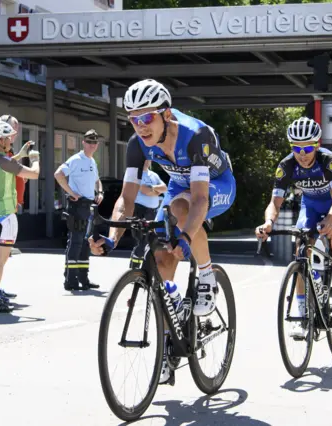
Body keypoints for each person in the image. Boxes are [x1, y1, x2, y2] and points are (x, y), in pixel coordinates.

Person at [88, 79, 236, 385]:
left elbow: (199, 201)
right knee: (161, 260)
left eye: (146, 117)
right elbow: (127, 198)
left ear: (166, 115)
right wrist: (113, 237)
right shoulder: (136, 144)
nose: (140, 126)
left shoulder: (196, 136)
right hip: (180, 187)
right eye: (133, 118)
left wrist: (184, 237)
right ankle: (171, 343)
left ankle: (207, 275)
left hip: (217, 185)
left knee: (182, 213)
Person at [255, 117, 332, 339]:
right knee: (301, 248)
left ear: (317, 144)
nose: (303, 153)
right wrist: (268, 222)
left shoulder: (328, 161)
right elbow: (275, 202)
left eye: (308, 147)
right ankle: (302, 315)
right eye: (297, 148)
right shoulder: (286, 166)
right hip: (310, 204)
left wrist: (330, 221)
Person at [0, 120, 40, 313]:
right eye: (9, 140)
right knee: (0, 259)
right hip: (6, 217)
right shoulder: (3, 161)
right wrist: (35, 158)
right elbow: (34, 174)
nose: (10, 143)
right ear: (1, 139)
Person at [54, 130, 103, 291]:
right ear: (83, 143)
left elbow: (97, 180)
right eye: (89, 142)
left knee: (85, 243)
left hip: (88, 207)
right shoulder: (76, 160)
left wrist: (100, 192)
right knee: (75, 243)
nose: (92, 145)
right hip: (77, 206)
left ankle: (84, 279)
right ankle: (70, 280)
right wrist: (70, 192)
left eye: (95, 143)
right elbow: (58, 174)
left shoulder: (91, 161)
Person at [129, 160, 167, 269]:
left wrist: (153, 189)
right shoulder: (137, 175)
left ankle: (144, 270)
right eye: (144, 159)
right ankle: (134, 268)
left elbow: (164, 188)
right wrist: (156, 190)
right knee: (141, 241)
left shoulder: (154, 175)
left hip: (153, 212)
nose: (146, 161)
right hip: (140, 211)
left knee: (150, 242)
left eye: (148, 159)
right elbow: (145, 190)